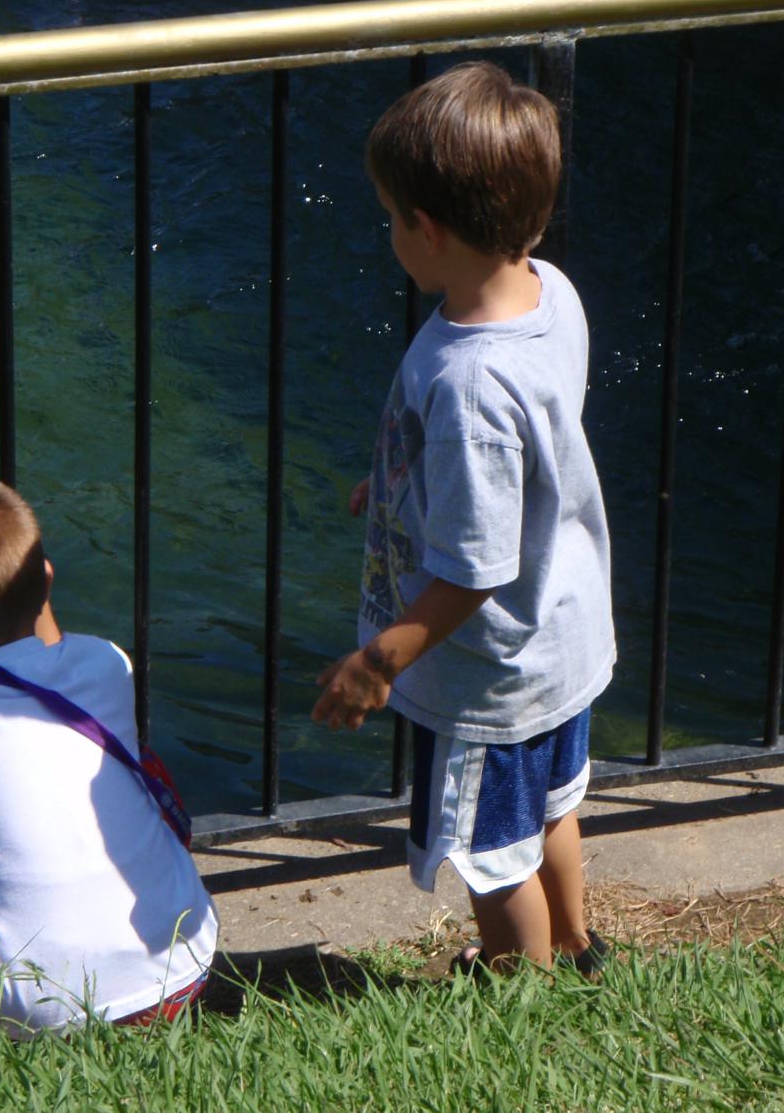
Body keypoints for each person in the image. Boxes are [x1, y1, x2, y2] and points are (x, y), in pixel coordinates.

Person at [312, 60, 615, 976]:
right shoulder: (548, 292)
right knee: (550, 808)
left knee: (492, 855)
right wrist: (399, 484)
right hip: (560, 632)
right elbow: (510, 467)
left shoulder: (468, 378)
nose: (388, 232)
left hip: (490, 676)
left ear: (427, 228)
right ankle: (576, 944)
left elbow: (473, 568)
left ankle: (519, 984)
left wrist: (376, 663)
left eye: (389, 215)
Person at [0, 474, 218, 1035]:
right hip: (184, 970)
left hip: (33, 1013)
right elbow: (51, 650)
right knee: (134, 759)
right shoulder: (109, 664)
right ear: (46, 580)